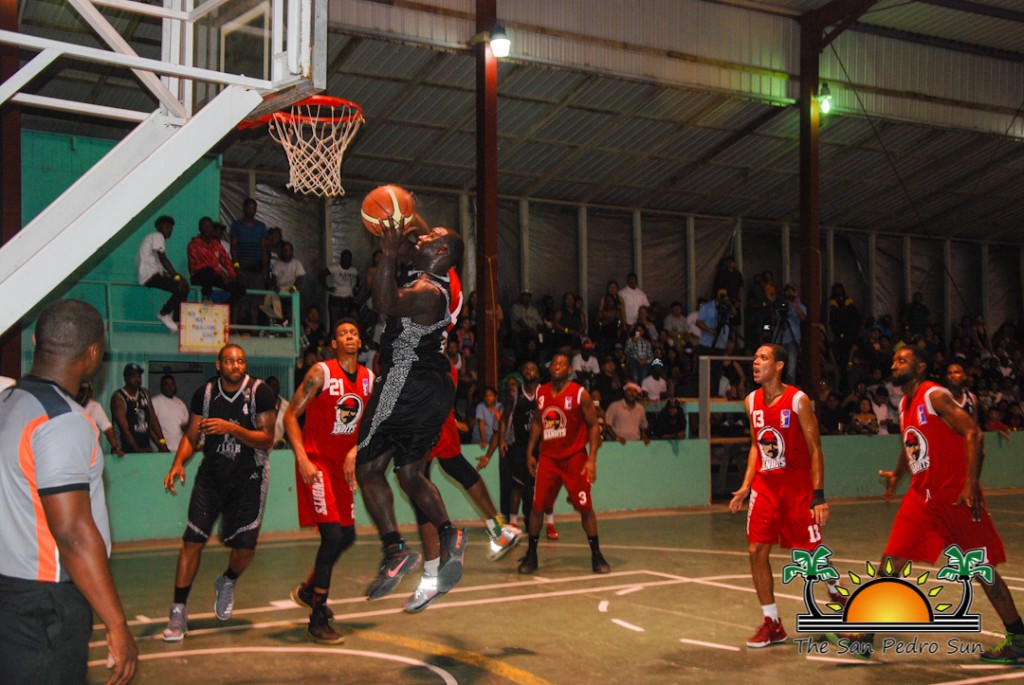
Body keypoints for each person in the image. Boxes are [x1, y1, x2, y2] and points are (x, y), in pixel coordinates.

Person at [0, 299, 138, 684]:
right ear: (94, 353)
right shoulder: (62, 421)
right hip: (43, 606)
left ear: (34, 341)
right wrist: (117, 623)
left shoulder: (9, 403)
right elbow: (73, 533)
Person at [873, 346, 1024, 663]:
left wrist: (970, 483)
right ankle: (863, 631)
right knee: (891, 560)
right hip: (922, 496)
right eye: (894, 359)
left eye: (902, 360)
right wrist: (898, 474)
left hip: (955, 497)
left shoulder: (934, 395)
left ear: (920, 367)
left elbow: (974, 434)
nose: (894, 364)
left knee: (983, 569)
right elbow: (910, 444)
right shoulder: (904, 404)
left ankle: (1019, 638)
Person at [346, 217, 468, 601]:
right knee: (410, 473)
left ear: (442, 252)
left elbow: (384, 303)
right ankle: (450, 534)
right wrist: (398, 222)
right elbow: (404, 245)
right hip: (431, 386)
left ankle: (395, 550)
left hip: (406, 378)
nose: (422, 237)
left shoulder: (429, 290)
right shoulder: (423, 270)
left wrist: (386, 251)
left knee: (368, 468)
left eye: (431, 237)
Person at [729, 343, 842, 649]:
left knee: (812, 556)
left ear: (779, 365)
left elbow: (815, 448)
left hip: (797, 488)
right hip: (766, 488)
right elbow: (756, 446)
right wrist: (746, 485)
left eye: (763, 358)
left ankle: (839, 593)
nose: (756, 362)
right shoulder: (751, 401)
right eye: (755, 358)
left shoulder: (798, 400)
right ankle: (772, 624)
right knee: (756, 551)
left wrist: (818, 495)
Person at [160, 344, 276, 641]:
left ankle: (227, 580)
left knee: (245, 549)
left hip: (249, 479)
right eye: (230, 361)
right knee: (192, 541)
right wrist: (177, 463)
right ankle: (178, 611)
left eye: (241, 361)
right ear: (218, 365)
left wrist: (231, 428)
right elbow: (191, 436)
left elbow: (267, 439)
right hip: (211, 479)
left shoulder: (260, 392)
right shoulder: (206, 394)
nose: (236, 365)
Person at [284, 320, 373, 643]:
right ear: (334, 344)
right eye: (343, 334)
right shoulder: (321, 373)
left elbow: (372, 424)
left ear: (360, 342)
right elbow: (290, 415)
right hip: (317, 462)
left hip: (342, 467)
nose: (349, 336)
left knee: (346, 535)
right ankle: (317, 617)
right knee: (333, 535)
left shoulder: (368, 378)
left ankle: (310, 590)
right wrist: (302, 458)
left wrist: (355, 450)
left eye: (354, 333)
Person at [518, 351, 610, 575]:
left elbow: (593, 425)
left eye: (562, 364)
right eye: (554, 363)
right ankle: (531, 554)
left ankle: (596, 554)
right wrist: (530, 453)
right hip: (548, 458)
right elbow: (538, 422)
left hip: (574, 458)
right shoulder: (541, 392)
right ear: (550, 369)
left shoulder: (579, 394)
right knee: (537, 507)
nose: (557, 366)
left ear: (569, 370)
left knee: (585, 508)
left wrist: (592, 459)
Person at [137, 214, 189, 332]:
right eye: (167, 227)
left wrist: (178, 277)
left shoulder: (153, 238)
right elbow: (163, 258)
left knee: (183, 285)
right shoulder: (157, 235)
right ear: (159, 227)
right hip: (150, 276)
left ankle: (174, 319)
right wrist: (176, 276)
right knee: (182, 287)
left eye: (171, 228)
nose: (169, 230)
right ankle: (164, 314)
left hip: (153, 274)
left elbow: (158, 264)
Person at [111, 362, 168, 453]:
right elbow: (124, 429)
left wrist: (161, 443)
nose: (137, 379)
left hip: (144, 446)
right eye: (133, 376)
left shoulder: (145, 393)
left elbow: (152, 420)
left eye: (139, 376)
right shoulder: (118, 398)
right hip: (125, 450)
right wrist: (137, 450)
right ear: (125, 378)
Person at [229, 197, 269, 326]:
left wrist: (264, 269)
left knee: (256, 301)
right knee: (239, 299)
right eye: (249, 208)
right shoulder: (236, 225)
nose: (252, 210)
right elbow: (233, 247)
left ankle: (253, 328)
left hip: (256, 267)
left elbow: (264, 249)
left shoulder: (261, 226)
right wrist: (236, 266)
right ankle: (236, 327)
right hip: (242, 268)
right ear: (244, 208)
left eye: (254, 208)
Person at [187, 216, 245, 305]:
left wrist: (232, 275)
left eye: (210, 226)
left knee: (240, 288)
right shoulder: (194, 245)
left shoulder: (216, 244)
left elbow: (226, 260)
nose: (207, 229)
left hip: (214, 276)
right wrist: (221, 273)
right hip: (199, 276)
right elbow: (202, 265)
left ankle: (225, 307)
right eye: (205, 226)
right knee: (208, 271)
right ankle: (206, 297)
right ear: (200, 229)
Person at [77, 381, 125, 456]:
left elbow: (107, 429)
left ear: (90, 393)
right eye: (80, 391)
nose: (83, 395)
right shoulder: (67, 405)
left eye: (85, 391)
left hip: (90, 452)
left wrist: (115, 448)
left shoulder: (95, 407)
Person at [773, 284, 806, 385]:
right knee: (776, 367)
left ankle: (790, 389)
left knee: (791, 369)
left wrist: (793, 305)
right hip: (780, 339)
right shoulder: (781, 306)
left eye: (791, 291)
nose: (789, 294)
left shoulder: (800, 306)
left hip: (792, 340)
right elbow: (775, 318)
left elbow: (803, 317)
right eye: (787, 292)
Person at [268, 241, 306, 324]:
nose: (287, 252)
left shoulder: (296, 263)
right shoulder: (277, 264)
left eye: (289, 250)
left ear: (292, 252)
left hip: (291, 288)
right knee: (276, 305)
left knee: (290, 310)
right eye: (285, 250)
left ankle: (291, 323)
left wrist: (294, 287)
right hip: (280, 289)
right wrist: (275, 287)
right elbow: (273, 278)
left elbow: (299, 278)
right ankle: (279, 322)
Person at [151, 374, 190, 453]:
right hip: (161, 450)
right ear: (161, 386)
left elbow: (185, 426)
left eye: (172, 384)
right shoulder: (155, 401)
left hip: (179, 449)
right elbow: (151, 426)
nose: (170, 387)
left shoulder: (180, 403)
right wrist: (161, 445)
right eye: (166, 384)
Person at [321, 249, 360, 323]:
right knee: (335, 322)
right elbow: (321, 275)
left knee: (346, 322)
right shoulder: (335, 268)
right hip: (336, 299)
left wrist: (356, 288)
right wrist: (326, 287)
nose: (347, 260)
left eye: (348, 258)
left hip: (348, 299)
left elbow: (358, 279)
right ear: (341, 259)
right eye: (345, 258)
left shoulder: (353, 270)